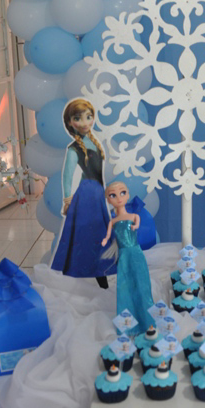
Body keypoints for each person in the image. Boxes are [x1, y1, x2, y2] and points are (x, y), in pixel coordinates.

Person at [51, 98, 114, 287]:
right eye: (78, 118)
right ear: (70, 123)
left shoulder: (94, 142)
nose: (85, 122)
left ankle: (100, 273)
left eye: (88, 117)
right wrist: (67, 200)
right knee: (90, 235)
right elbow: (67, 176)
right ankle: (94, 275)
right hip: (87, 195)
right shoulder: (74, 149)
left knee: (98, 233)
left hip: (97, 193)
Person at [102, 181, 154, 334]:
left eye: (122, 193)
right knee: (124, 287)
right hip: (124, 255)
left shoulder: (134, 216)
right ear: (108, 199)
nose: (119, 198)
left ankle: (146, 321)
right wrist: (104, 240)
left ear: (128, 195)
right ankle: (127, 325)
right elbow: (108, 236)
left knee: (142, 284)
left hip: (135, 253)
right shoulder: (112, 221)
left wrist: (136, 227)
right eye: (113, 195)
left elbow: (137, 224)